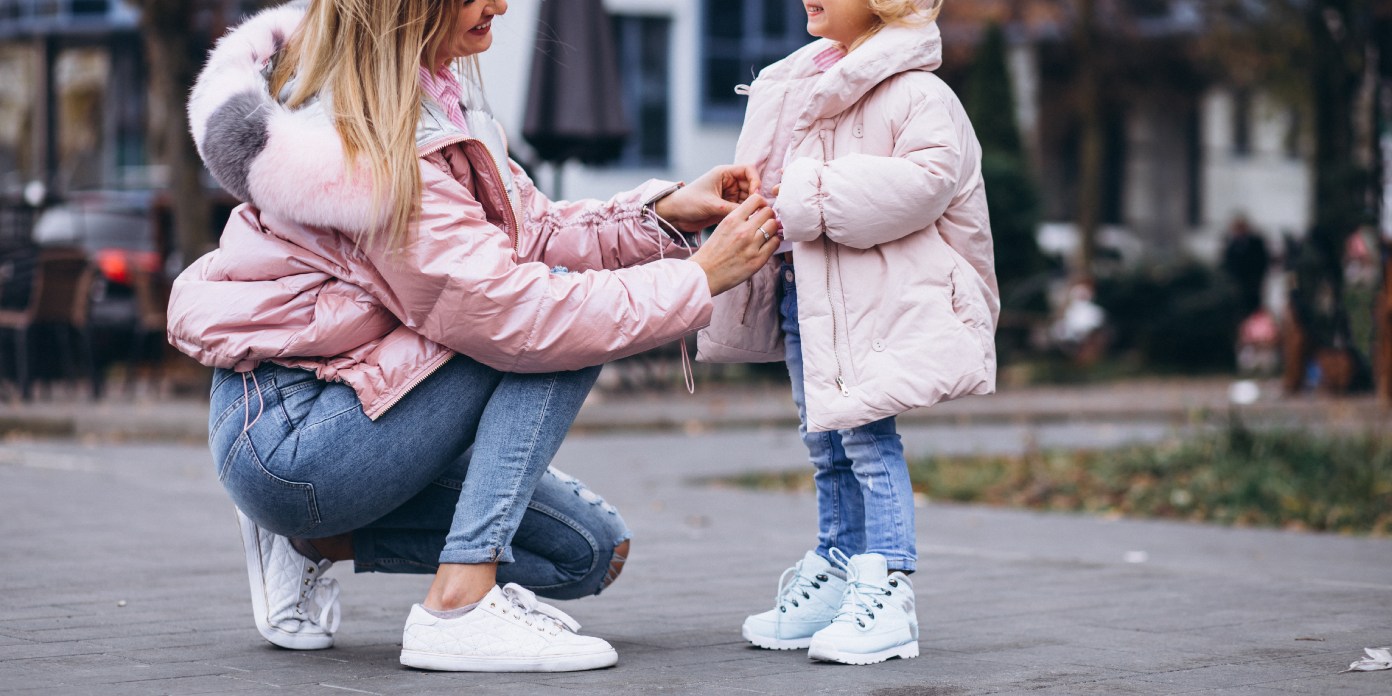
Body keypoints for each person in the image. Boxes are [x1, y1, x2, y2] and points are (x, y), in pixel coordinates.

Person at [168, 0, 780, 673]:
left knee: (587, 552)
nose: (500, 5)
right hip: (291, 435)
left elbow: (532, 232)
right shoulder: (362, 147)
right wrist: (698, 280)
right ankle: (458, 605)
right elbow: (522, 313)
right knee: (559, 321)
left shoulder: (435, 98)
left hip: (360, 397)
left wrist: (661, 211)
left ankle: (311, 543)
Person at [696, 0, 997, 666]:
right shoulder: (799, 83)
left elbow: (924, 184)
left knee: (866, 437)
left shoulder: (917, 92)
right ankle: (837, 566)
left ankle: (887, 582)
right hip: (810, 296)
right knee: (825, 441)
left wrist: (797, 193)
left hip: (873, 303)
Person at [1221, 215, 1270, 318]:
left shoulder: (1256, 243)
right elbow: (1227, 265)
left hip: (1253, 285)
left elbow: (1263, 262)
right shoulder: (1232, 246)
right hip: (1237, 287)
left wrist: (1258, 279)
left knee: (1253, 312)